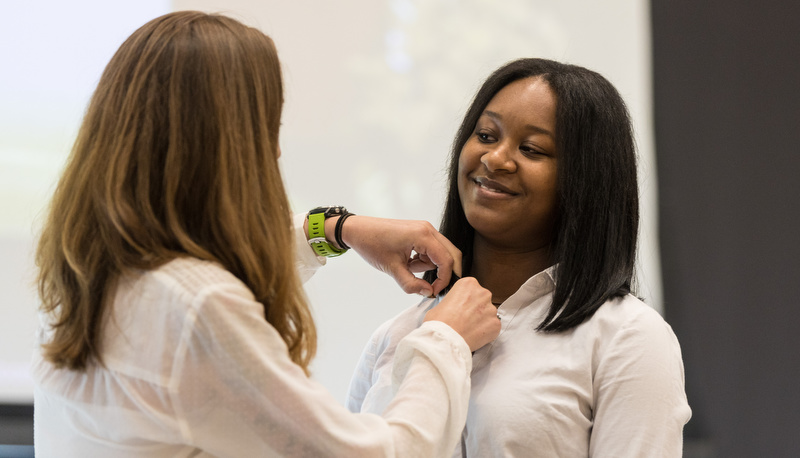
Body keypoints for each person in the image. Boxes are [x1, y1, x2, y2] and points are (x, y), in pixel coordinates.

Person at [31, 11, 502, 457]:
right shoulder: (196, 308)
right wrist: (446, 340)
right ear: (224, 146)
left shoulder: (88, 266)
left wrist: (335, 230)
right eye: (265, 128)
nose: (275, 150)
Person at [347, 58, 692, 457]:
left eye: (530, 149)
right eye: (486, 135)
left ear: (585, 181)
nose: (495, 159)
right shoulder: (395, 335)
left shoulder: (626, 337)